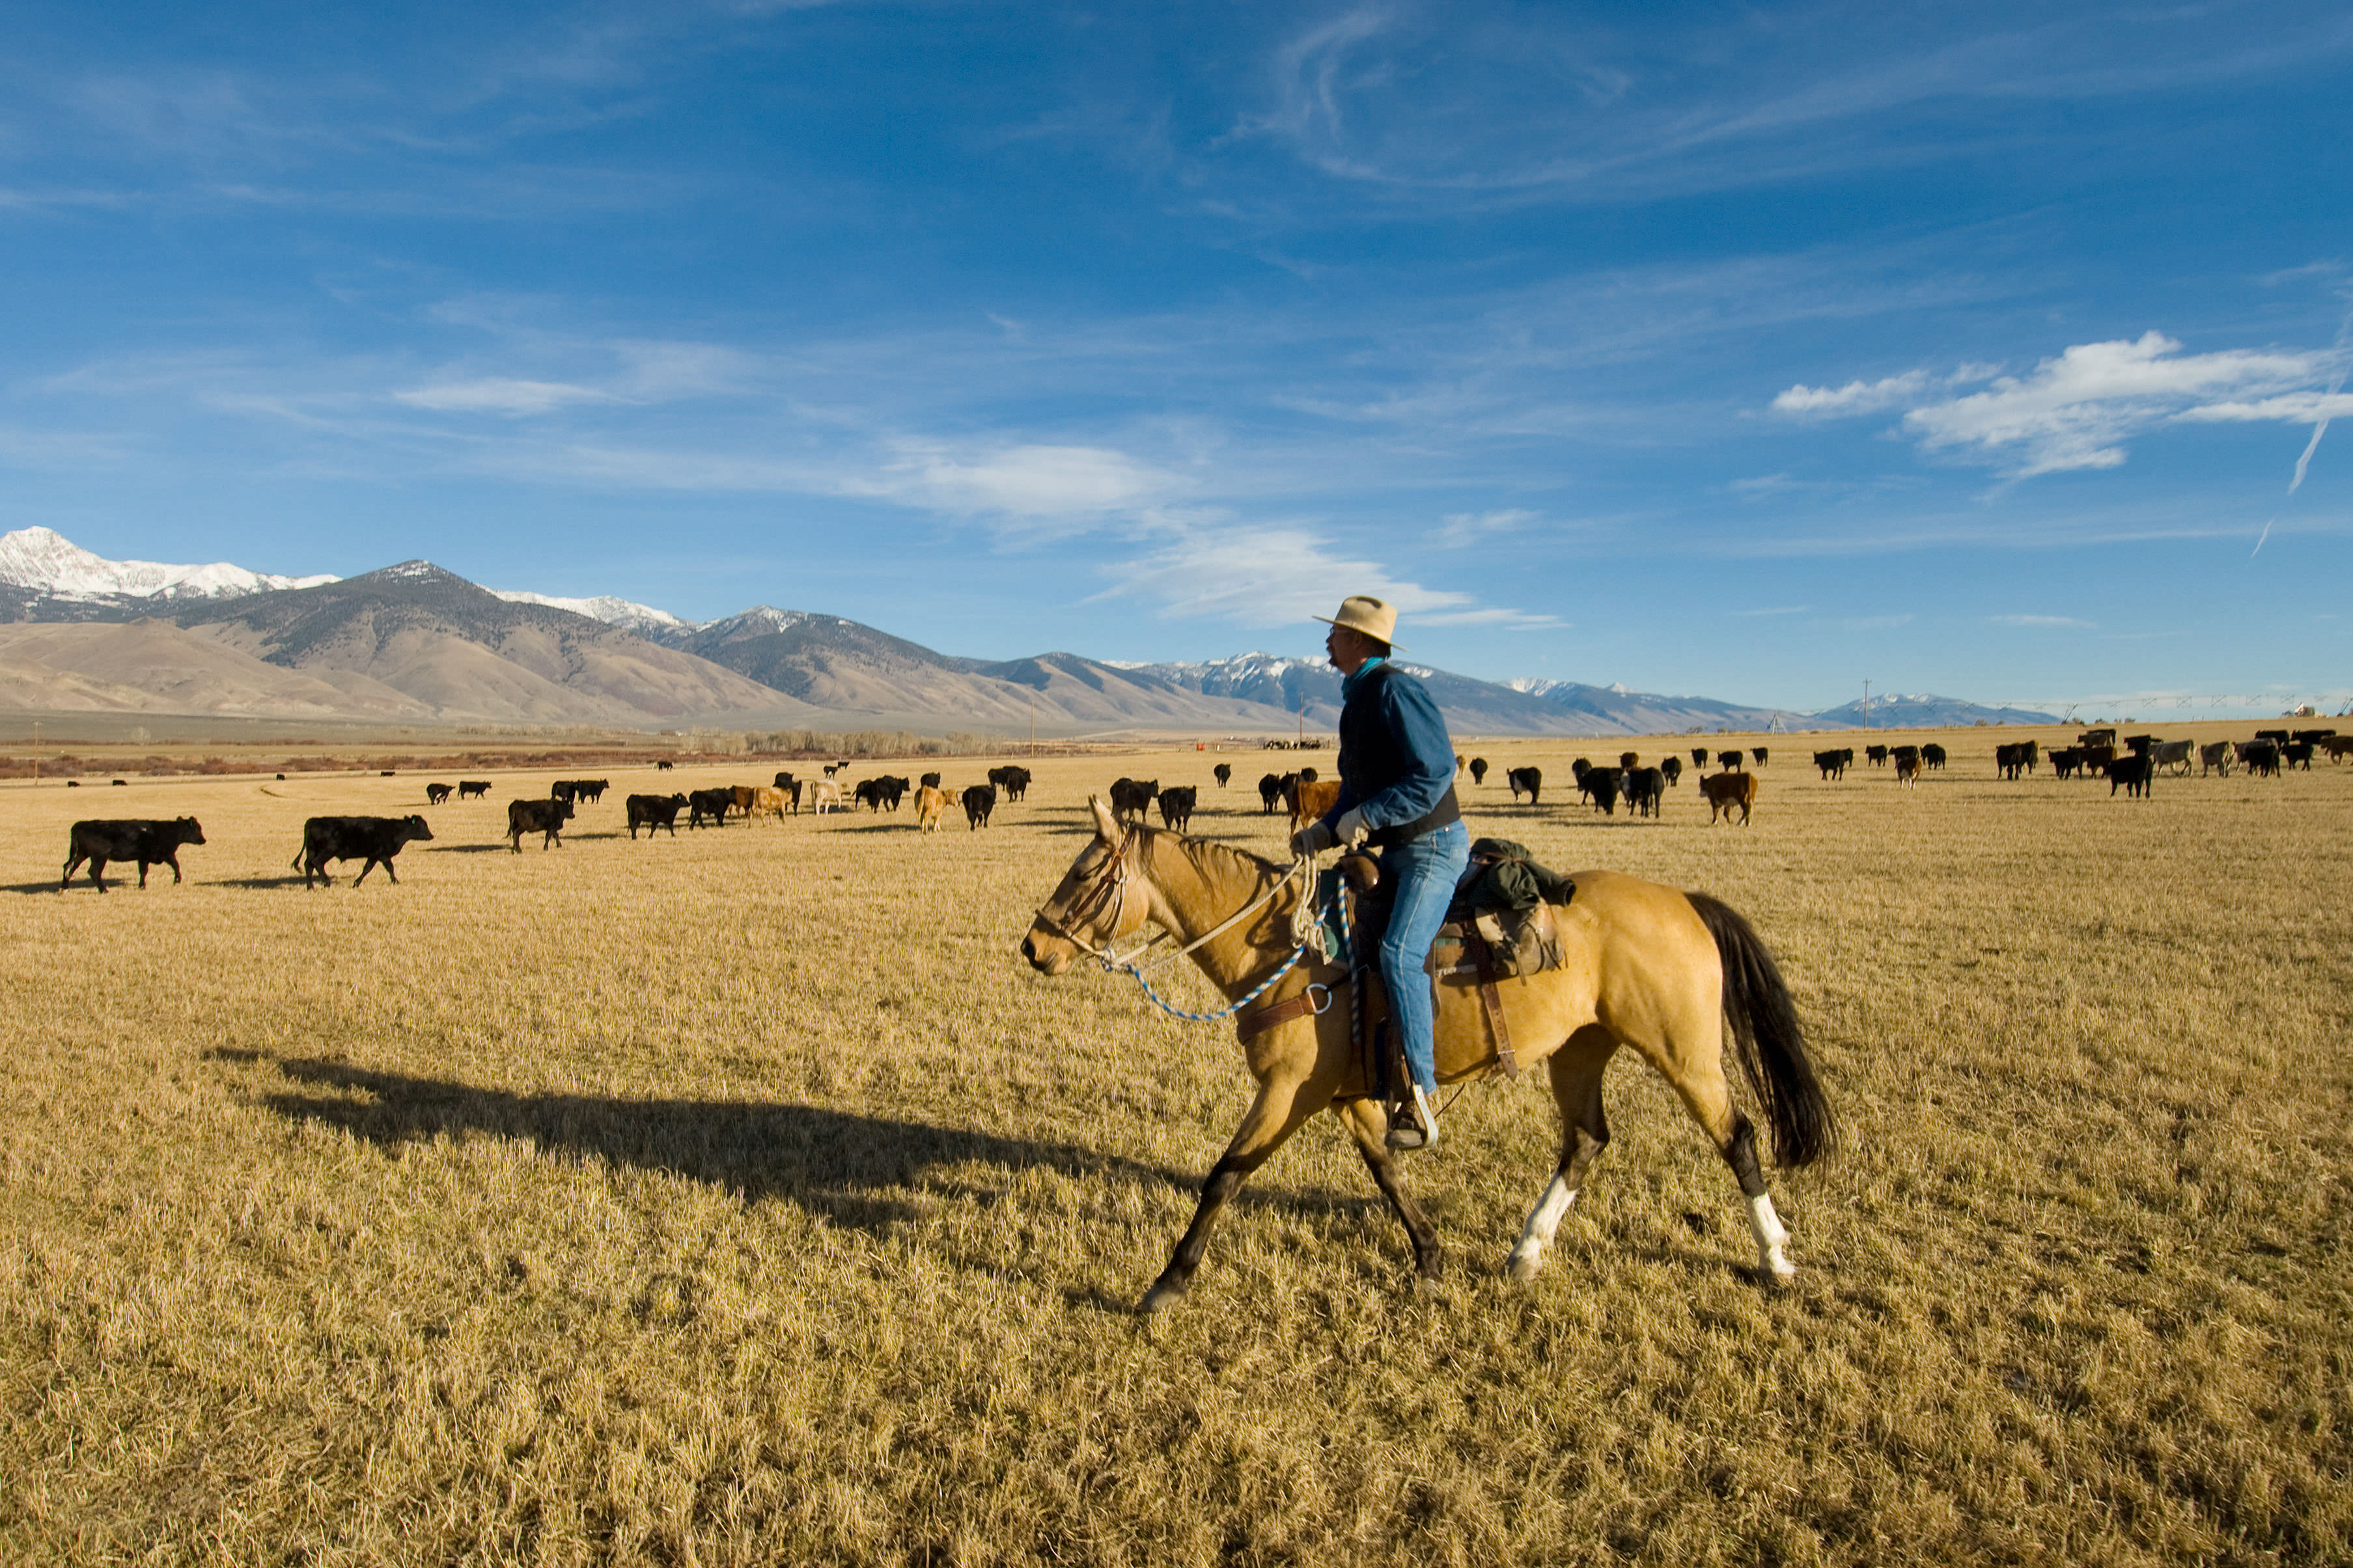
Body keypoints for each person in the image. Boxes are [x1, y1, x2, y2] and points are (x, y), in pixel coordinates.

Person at [1288, 596, 1469, 1150]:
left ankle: (1417, 1091)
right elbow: (1357, 787)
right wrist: (1325, 829)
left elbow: (1435, 771)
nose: (1328, 642)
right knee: (1341, 946)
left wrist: (1367, 817)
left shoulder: (1395, 689)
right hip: (1393, 850)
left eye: (1337, 633)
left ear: (1360, 642)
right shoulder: (1358, 699)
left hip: (1431, 847)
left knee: (1396, 954)